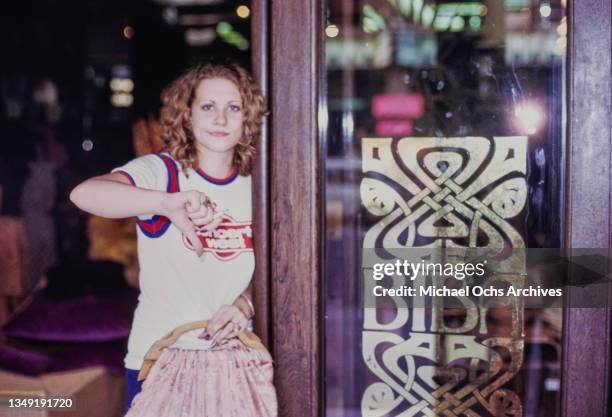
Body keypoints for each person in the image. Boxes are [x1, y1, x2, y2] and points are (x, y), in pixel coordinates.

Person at [70, 63, 266, 411]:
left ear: (248, 117)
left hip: (233, 367)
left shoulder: (259, 186)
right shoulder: (162, 172)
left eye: (233, 108)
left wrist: (245, 303)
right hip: (161, 362)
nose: (220, 119)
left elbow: (277, 267)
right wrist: (165, 203)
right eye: (208, 107)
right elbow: (85, 194)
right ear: (187, 116)